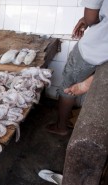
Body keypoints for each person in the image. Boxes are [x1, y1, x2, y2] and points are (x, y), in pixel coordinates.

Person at [46, 0, 108, 135]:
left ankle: (61, 126)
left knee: (68, 86)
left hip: (93, 49)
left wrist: (87, 20)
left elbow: (91, 18)